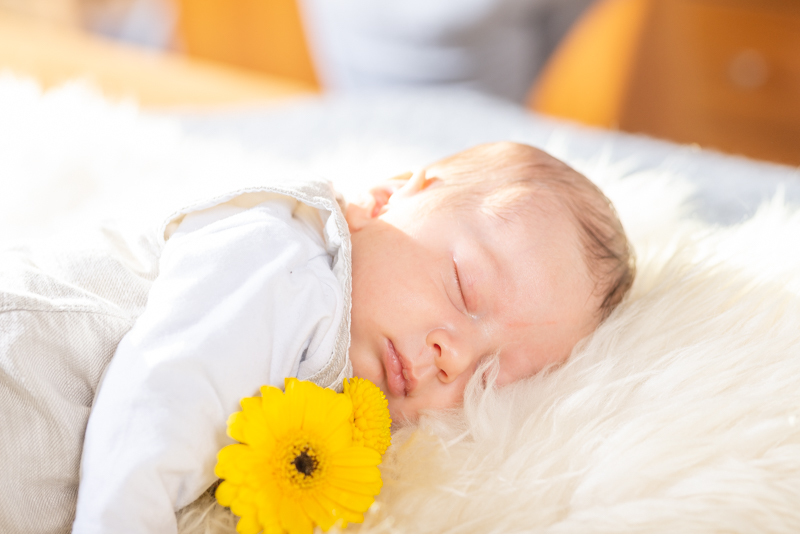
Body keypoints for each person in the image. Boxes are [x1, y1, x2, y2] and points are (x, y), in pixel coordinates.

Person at [0, 142, 633, 533]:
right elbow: (165, 389)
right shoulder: (290, 256)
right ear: (386, 198)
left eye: (492, 375)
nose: (456, 357)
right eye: (465, 288)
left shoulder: (337, 390)